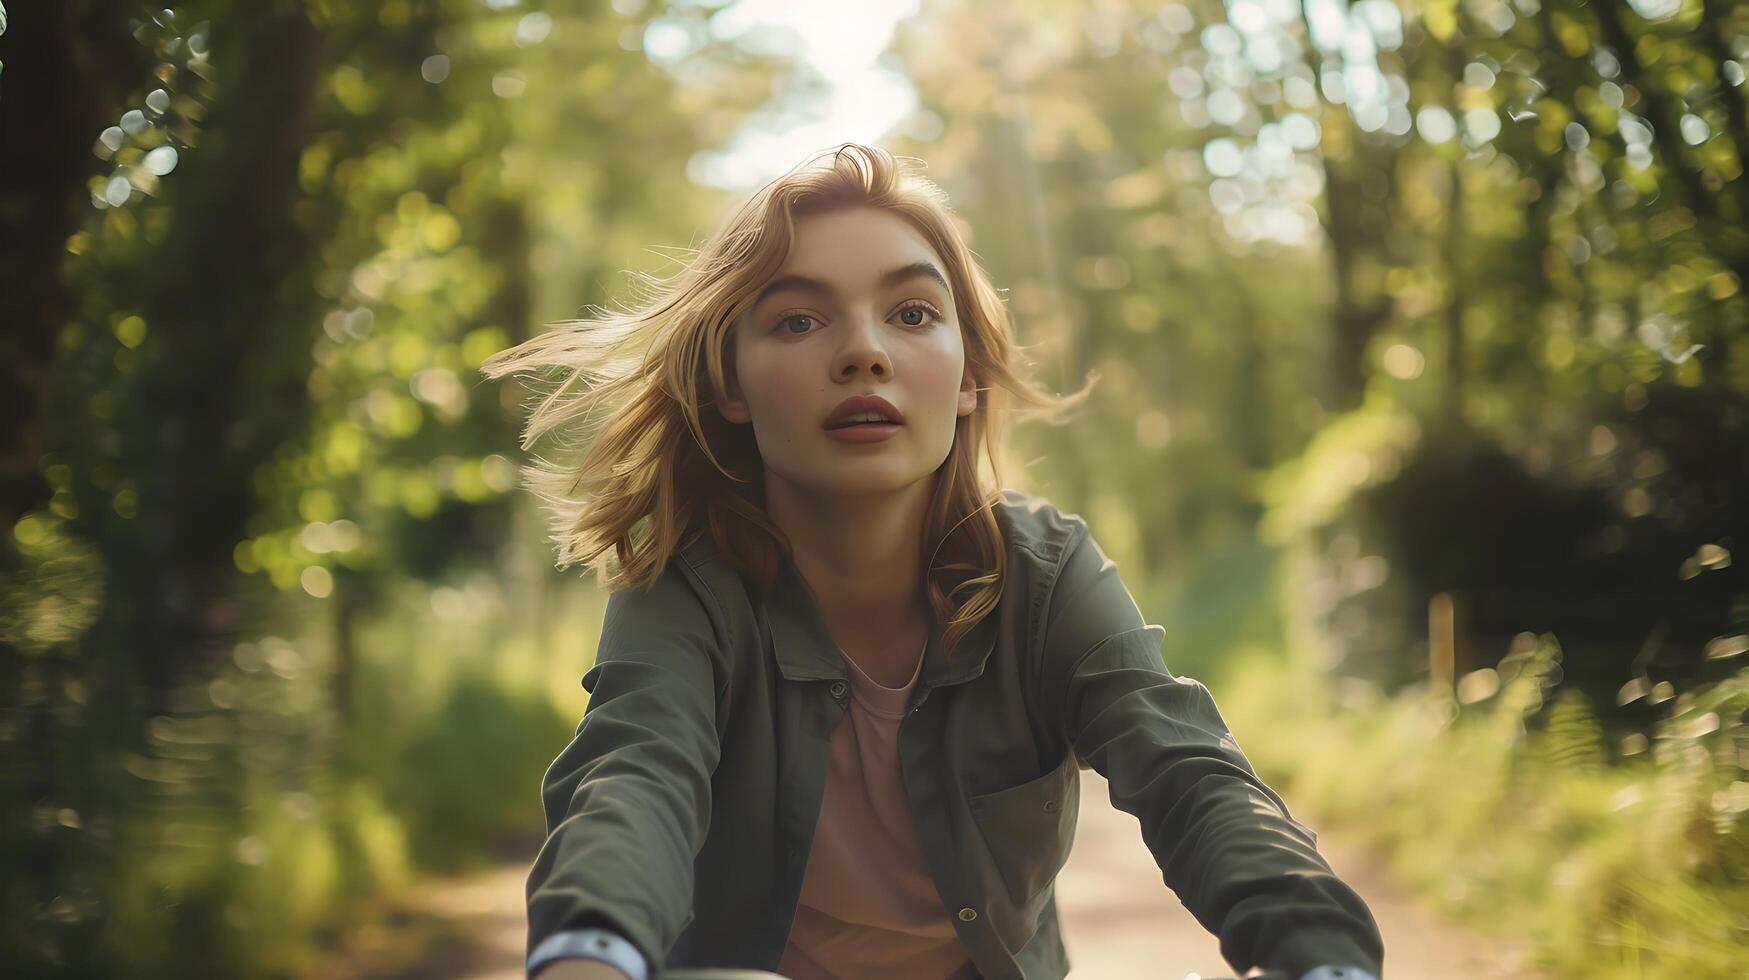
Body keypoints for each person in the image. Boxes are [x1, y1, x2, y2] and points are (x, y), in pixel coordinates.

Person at [482, 143, 1384, 980]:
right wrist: (586, 951)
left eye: (912, 312)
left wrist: (1321, 953)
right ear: (730, 386)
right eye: (797, 320)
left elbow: (1186, 768)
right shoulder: (686, 587)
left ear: (965, 379)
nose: (864, 351)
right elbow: (632, 777)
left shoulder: (1044, 574)